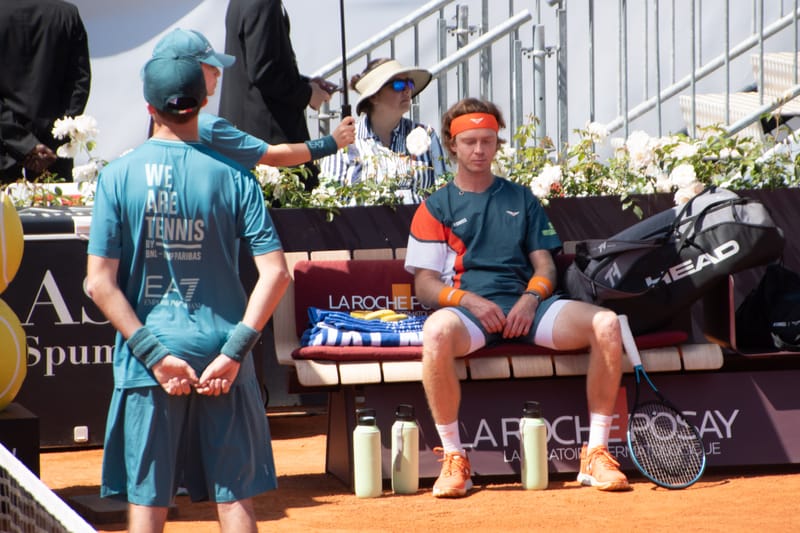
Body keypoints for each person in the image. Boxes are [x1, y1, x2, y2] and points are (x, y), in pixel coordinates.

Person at [85, 54, 290, 532]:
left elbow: (98, 282)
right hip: (223, 356)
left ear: (149, 107)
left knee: (148, 501)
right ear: (203, 102)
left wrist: (155, 356)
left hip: (148, 362)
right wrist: (234, 352)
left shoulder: (116, 176)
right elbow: (276, 275)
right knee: (234, 496)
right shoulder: (237, 177)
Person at [404, 97, 630, 498]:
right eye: (470, 141)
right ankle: (455, 459)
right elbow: (423, 285)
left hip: (530, 309)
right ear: (452, 145)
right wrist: (469, 301)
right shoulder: (434, 206)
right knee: (436, 332)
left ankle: (596, 453)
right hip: (471, 315)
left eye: (487, 141)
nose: (479, 150)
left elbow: (545, 266)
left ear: (496, 143)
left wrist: (529, 300)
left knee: (607, 324)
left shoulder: (521, 198)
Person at [152, 28, 355, 171]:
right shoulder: (207, 127)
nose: (218, 73)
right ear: (188, 70)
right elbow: (274, 156)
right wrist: (331, 143)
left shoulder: (151, 129)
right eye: (209, 65)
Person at [220, 0, 337, 190]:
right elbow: (264, 72)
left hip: (251, 139)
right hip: (268, 143)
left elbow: (260, 66)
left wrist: (307, 84)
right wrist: (307, 94)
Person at [319, 58, 448, 204]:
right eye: (398, 85)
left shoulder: (427, 134)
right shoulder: (345, 141)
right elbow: (329, 201)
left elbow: (443, 193)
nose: (407, 90)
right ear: (374, 96)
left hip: (417, 225)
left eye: (409, 83)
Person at [0, 0, 91, 184]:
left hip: (4, 144)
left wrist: (22, 142)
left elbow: (79, 83)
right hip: (51, 151)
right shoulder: (67, 14)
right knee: (55, 209)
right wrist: (55, 138)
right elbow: (78, 85)